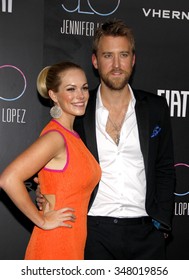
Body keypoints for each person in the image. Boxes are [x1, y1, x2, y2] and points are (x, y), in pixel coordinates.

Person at [36, 19, 176, 260]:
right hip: (93, 232)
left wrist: (161, 223)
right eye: (108, 55)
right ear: (95, 61)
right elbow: (48, 166)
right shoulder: (78, 110)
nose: (117, 65)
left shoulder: (155, 107)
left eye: (123, 55)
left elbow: (164, 168)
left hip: (147, 233)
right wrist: (44, 192)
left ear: (133, 59)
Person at [0, 61, 101, 260]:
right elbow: (8, 179)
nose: (80, 96)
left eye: (84, 88)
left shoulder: (72, 136)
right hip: (54, 245)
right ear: (53, 95)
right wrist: (42, 221)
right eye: (70, 89)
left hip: (73, 243)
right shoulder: (55, 137)